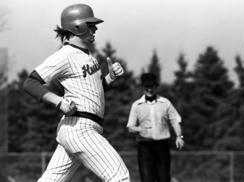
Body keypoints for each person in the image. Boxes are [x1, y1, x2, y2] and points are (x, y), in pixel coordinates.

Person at [23, 4, 130, 182]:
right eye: (91, 25)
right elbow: (30, 82)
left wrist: (110, 78)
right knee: (119, 176)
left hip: (78, 127)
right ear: (77, 27)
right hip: (80, 128)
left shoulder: (88, 56)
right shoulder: (65, 55)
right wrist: (58, 101)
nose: (95, 29)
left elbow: (93, 92)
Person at [126, 73, 184, 182]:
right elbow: (130, 127)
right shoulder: (136, 105)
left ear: (156, 86)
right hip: (145, 147)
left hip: (162, 147)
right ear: (143, 87)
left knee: (163, 178)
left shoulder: (165, 103)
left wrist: (179, 136)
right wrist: (139, 129)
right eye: (146, 87)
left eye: (151, 86)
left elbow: (175, 120)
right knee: (147, 178)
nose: (149, 89)